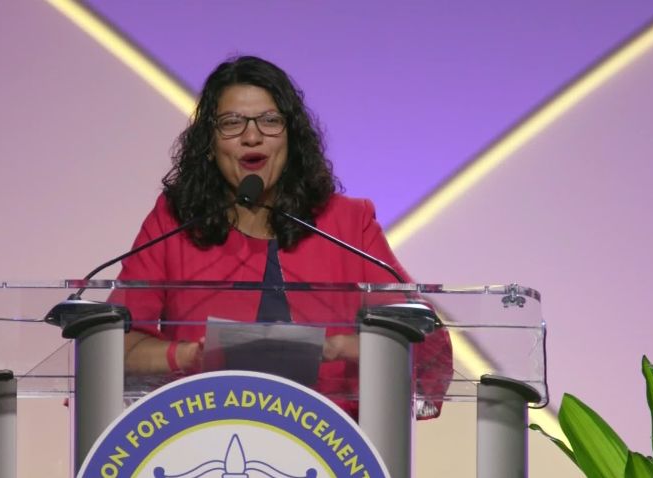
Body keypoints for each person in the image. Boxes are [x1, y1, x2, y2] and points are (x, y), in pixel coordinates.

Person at [112, 55, 452, 419]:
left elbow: (424, 341)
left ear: (292, 138)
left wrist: (340, 346)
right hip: (203, 434)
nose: (252, 135)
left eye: (270, 121)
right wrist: (187, 357)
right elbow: (113, 347)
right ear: (209, 145)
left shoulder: (348, 223)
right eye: (232, 123)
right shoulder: (175, 221)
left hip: (333, 446)